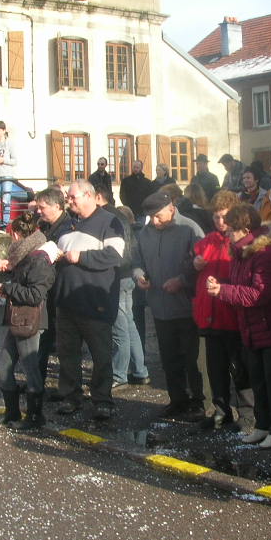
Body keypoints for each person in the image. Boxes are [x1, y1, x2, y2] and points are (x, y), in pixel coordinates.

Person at [207, 205, 271, 448]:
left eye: (231, 229)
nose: (226, 233)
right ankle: (263, 426)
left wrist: (223, 291)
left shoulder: (266, 254)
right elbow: (242, 286)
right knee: (259, 381)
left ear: (246, 229)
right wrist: (222, 285)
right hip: (254, 328)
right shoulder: (242, 253)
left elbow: (259, 294)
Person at [53, 180, 125, 420]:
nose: (69, 201)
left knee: (100, 354)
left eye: (73, 197)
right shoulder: (65, 223)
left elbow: (114, 256)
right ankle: (71, 396)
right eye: (68, 197)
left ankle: (102, 400)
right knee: (67, 353)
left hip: (95, 300)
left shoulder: (109, 222)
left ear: (89, 196)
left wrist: (80, 257)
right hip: (66, 301)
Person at [134, 192, 204, 419]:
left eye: (158, 216)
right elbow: (137, 261)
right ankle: (178, 399)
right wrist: (139, 275)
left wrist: (182, 281)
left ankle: (199, 401)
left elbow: (204, 264)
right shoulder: (145, 233)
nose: (154, 221)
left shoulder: (190, 229)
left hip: (187, 307)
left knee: (192, 358)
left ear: (171, 208)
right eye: (151, 217)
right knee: (169, 358)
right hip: (159, 306)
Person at [192, 190, 252, 430]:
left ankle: (248, 414)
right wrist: (194, 263)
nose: (220, 222)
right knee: (215, 367)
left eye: (224, 216)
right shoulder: (208, 240)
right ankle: (220, 409)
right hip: (210, 314)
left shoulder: (241, 242)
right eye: (216, 217)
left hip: (233, 314)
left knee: (240, 368)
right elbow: (195, 259)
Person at [0, 213, 54, 430]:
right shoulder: (25, 255)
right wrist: (8, 289)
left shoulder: (37, 258)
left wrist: (7, 288)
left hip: (30, 319)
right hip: (18, 316)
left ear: (16, 235)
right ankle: (12, 413)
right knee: (4, 366)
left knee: (30, 368)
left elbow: (36, 294)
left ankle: (35, 417)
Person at [32, 189, 73, 385]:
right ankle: (38, 380)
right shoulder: (46, 225)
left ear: (57, 206)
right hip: (48, 288)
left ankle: (66, 387)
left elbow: (52, 255)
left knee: (64, 342)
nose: (39, 211)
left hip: (60, 288)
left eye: (42, 207)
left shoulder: (67, 227)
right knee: (45, 336)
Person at [111, 205, 150, 389]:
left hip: (118, 278)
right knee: (129, 324)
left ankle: (119, 375)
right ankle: (140, 371)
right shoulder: (133, 232)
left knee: (120, 329)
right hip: (128, 278)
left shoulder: (115, 226)